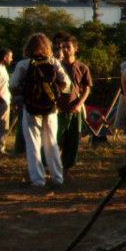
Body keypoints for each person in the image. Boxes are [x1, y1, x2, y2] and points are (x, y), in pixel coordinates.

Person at [9, 33, 70, 188]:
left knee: (33, 143)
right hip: (51, 108)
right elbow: (66, 83)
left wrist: (24, 95)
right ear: (47, 46)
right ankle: (57, 178)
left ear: (28, 48)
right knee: (52, 142)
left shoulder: (23, 64)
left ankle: (38, 180)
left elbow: (13, 85)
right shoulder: (54, 62)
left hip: (30, 108)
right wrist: (54, 95)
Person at [53, 34, 92, 171]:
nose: (64, 49)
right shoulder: (56, 66)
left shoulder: (82, 67)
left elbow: (87, 88)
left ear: (75, 48)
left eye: (68, 47)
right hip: (58, 109)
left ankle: (66, 168)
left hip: (75, 108)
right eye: (62, 47)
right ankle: (52, 167)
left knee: (73, 140)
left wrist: (79, 104)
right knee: (55, 139)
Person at [0, 48, 13, 158]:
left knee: (4, 126)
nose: (11, 59)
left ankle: (0, 148)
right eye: (10, 56)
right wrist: (2, 101)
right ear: (5, 57)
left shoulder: (3, 68)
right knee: (0, 126)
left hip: (5, 101)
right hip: (0, 102)